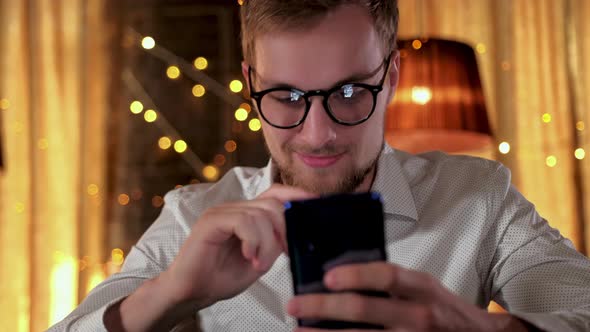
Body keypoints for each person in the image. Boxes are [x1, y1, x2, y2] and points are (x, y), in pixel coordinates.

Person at [49, 0, 590, 331]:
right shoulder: (196, 216)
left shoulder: (478, 196)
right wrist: (168, 295)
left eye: (351, 92)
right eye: (284, 96)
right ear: (252, 81)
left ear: (394, 75)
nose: (318, 134)